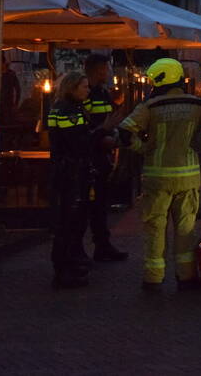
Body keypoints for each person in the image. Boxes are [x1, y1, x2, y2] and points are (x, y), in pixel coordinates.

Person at [117, 58, 201, 291]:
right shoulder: (196, 104)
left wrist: (143, 148)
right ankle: (186, 277)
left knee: (155, 228)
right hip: (188, 177)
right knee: (186, 229)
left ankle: (153, 277)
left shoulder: (150, 106)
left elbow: (125, 131)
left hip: (156, 177)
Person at [47, 71, 121, 289]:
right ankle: (63, 271)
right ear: (72, 88)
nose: (88, 91)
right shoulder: (67, 111)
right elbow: (78, 142)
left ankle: (70, 263)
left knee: (74, 221)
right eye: (84, 87)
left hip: (71, 171)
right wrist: (103, 130)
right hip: (70, 172)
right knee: (67, 222)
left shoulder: (69, 108)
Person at [78, 54, 128, 262]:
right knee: (87, 205)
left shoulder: (102, 92)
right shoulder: (85, 93)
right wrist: (102, 136)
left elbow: (107, 119)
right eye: (107, 68)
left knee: (100, 204)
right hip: (90, 158)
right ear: (98, 70)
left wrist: (114, 133)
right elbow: (84, 126)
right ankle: (82, 250)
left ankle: (102, 245)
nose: (109, 73)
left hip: (102, 157)